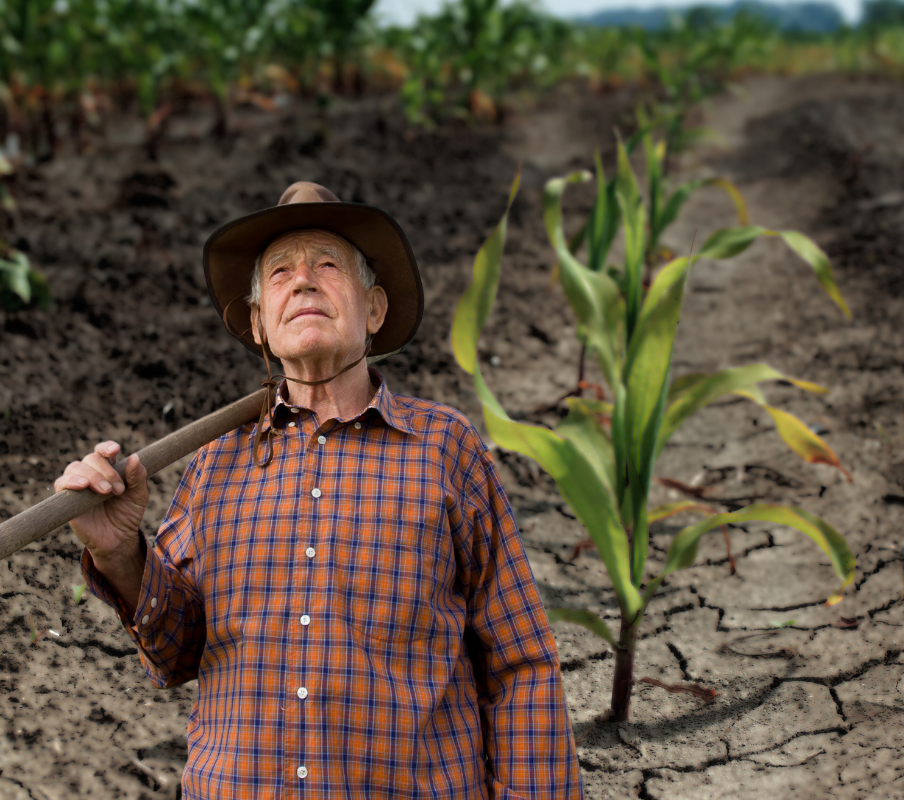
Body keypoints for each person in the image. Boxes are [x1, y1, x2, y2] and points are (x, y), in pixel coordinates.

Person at [55, 182, 584, 799]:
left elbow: (521, 666)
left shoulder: (445, 451)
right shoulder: (217, 464)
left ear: (375, 309)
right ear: (259, 323)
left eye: (327, 265)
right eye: (279, 272)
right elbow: (177, 652)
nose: (302, 281)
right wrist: (121, 554)